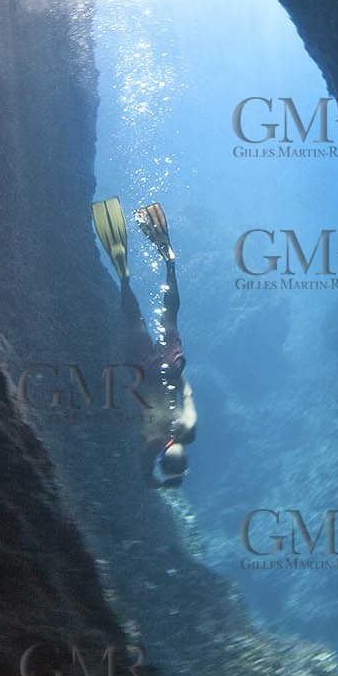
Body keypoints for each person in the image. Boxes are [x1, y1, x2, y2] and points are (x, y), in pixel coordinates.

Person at [91, 197, 196, 488]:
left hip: (171, 369)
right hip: (144, 373)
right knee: (134, 320)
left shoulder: (188, 431)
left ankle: (169, 264)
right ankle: (123, 277)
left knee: (170, 316)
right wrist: (158, 482)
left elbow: (187, 395)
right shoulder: (150, 446)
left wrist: (179, 375)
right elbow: (144, 473)